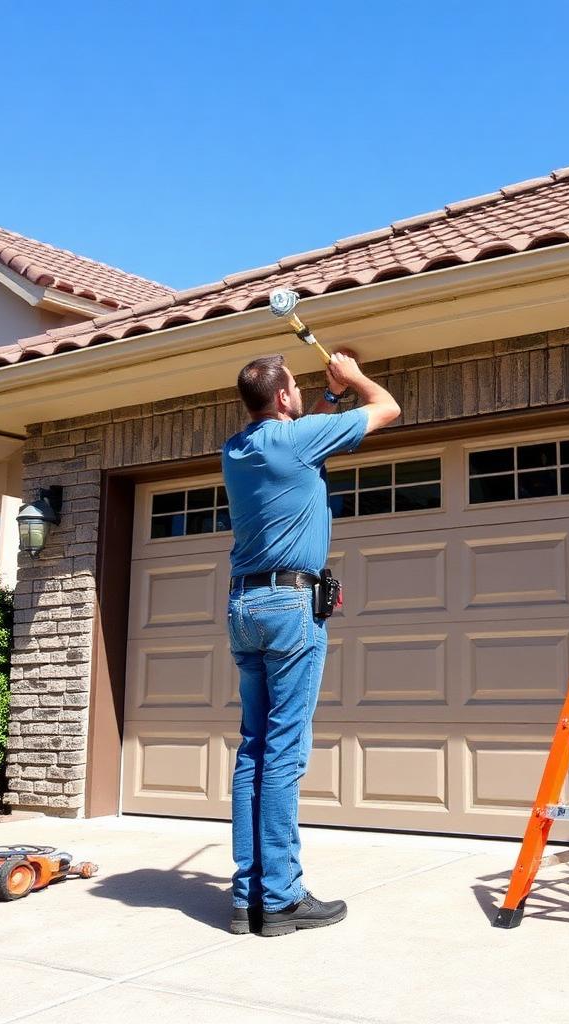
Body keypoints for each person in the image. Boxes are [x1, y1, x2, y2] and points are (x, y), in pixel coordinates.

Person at [222, 351, 400, 937]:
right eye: (295, 388)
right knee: (283, 754)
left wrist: (325, 401)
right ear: (281, 397)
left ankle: (248, 897)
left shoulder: (239, 450)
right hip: (288, 607)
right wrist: (352, 381)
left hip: (244, 606)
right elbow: (388, 408)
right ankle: (281, 899)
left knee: (253, 749)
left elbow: (301, 436)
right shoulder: (295, 441)